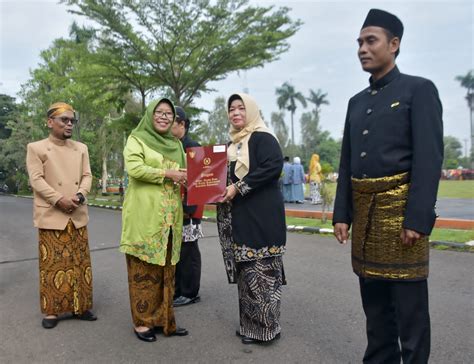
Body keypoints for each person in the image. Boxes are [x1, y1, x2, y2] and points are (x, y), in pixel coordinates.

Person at [333, 9, 443, 364]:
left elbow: (429, 158)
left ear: (394, 45)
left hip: (401, 218)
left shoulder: (419, 90)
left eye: (371, 41)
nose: (363, 49)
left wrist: (417, 218)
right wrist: (342, 214)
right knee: (376, 310)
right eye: (359, 43)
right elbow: (347, 162)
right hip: (366, 218)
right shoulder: (356, 103)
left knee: (410, 313)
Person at [217, 93, 286, 345]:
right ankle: (250, 326)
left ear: (252, 111)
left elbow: (272, 165)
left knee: (262, 272)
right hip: (240, 217)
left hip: (261, 217)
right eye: (231, 109)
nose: (235, 113)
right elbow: (218, 176)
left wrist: (238, 187)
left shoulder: (262, 137)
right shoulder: (232, 143)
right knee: (247, 273)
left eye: (240, 108)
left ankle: (267, 329)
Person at [120, 98, 189, 342]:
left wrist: (199, 180)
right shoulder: (136, 139)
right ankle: (142, 322)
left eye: (168, 113)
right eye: (158, 112)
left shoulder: (175, 144)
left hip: (171, 220)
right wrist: (167, 173)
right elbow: (135, 169)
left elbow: (185, 175)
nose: (163, 116)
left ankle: (163, 320)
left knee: (166, 271)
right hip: (145, 216)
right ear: (150, 115)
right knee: (144, 270)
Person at [26, 102, 97, 329]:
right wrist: (59, 199)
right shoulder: (36, 148)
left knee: (80, 263)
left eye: (71, 121)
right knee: (53, 265)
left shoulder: (81, 148)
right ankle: (52, 311)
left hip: (76, 211)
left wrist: (80, 195)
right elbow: (36, 180)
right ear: (50, 122)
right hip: (51, 213)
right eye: (64, 120)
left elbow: (87, 175)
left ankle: (81, 306)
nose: (69, 124)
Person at [170, 106, 204, 307]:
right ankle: (178, 289)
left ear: (182, 124)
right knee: (178, 249)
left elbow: (200, 181)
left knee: (189, 250)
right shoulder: (172, 146)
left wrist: (188, 206)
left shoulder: (193, 147)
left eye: (172, 122)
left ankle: (190, 292)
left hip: (190, 207)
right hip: (174, 207)